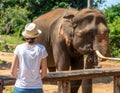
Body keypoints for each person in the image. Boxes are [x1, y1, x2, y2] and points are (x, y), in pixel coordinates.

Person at [10, 22, 48, 93]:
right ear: (36, 36)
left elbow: (12, 71)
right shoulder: (42, 49)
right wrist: (36, 79)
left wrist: (20, 78)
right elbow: (44, 72)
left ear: (25, 36)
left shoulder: (19, 48)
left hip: (21, 87)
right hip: (37, 86)